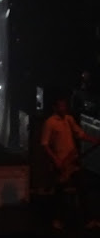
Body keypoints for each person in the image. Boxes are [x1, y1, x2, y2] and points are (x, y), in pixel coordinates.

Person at [40, 97, 100, 230]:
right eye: (61, 106)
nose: (64, 108)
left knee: (82, 188)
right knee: (60, 193)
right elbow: (45, 144)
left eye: (64, 106)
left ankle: (88, 220)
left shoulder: (69, 119)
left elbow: (80, 134)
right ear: (55, 108)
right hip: (61, 162)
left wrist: (94, 139)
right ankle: (57, 219)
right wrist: (55, 160)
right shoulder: (50, 123)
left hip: (73, 160)